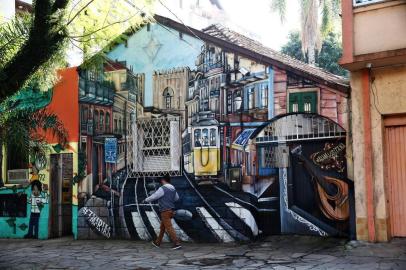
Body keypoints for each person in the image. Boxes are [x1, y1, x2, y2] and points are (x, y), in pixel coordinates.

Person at [143, 174, 181, 250]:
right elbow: (177, 198)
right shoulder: (173, 188)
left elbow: (154, 196)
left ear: (163, 180)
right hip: (170, 210)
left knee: (169, 227)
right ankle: (157, 242)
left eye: (161, 180)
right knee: (163, 227)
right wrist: (169, 200)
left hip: (165, 210)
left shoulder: (162, 188)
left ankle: (177, 243)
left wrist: (146, 200)